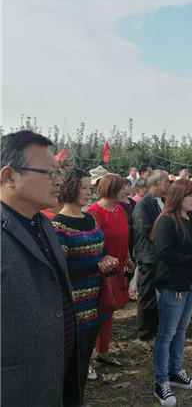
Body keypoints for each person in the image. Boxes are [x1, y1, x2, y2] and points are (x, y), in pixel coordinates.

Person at [1, 131, 80, 406]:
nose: (59, 181)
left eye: (59, 172)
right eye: (49, 173)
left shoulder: (43, 224)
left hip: (53, 375)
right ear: (9, 176)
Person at [52, 169, 119, 400]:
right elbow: (61, 270)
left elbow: (100, 248)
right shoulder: (58, 226)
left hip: (96, 303)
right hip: (75, 308)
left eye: (90, 188)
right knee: (73, 365)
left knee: (84, 359)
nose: (89, 192)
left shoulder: (90, 219)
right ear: (70, 188)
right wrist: (97, 266)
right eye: (84, 187)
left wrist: (107, 257)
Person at [151, 179, 192, 406]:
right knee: (166, 333)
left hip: (190, 284)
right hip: (172, 285)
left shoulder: (190, 219)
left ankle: (176, 371)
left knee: (180, 331)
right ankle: (161, 381)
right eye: (190, 196)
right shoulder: (167, 220)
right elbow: (164, 253)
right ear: (178, 197)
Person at [87, 174, 135, 367]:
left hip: (118, 269)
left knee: (109, 311)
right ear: (112, 189)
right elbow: (92, 245)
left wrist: (128, 258)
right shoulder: (94, 213)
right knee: (96, 313)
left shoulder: (119, 210)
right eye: (123, 188)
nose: (126, 191)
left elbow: (125, 237)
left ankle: (103, 351)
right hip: (101, 272)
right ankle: (88, 358)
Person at [132, 170, 171, 347]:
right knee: (147, 296)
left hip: (161, 255)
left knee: (160, 296)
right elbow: (147, 230)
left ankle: (155, 330)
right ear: (155, 183)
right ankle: (144, 335)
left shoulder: (163, 201)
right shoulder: (143, 204)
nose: (168, 184)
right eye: (166, 181)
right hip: (149, 257)